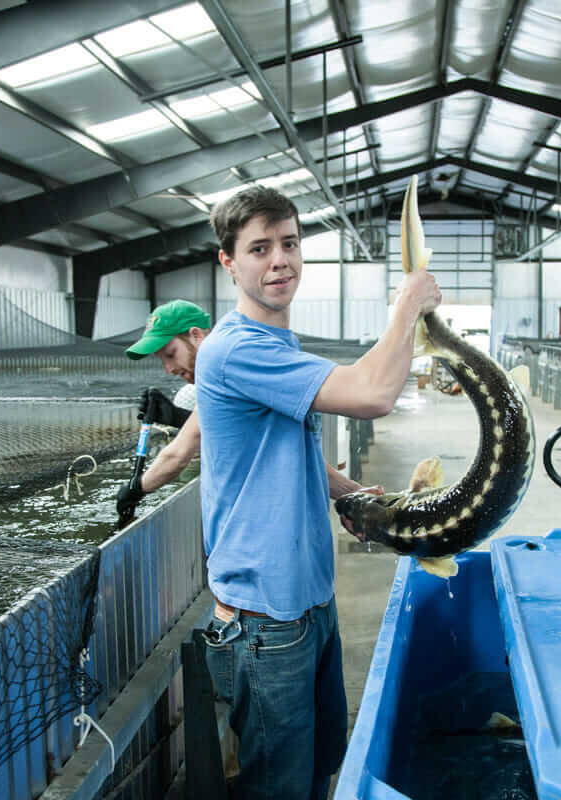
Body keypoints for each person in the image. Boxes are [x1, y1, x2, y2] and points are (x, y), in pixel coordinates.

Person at [197, 185, 441, 799]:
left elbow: (287, 450)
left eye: (289, 243)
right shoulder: (236, 349)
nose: (279, 260)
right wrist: (407, 307)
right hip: (265, 617)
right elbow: (374, 395)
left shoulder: (279, 344)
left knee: (320, 765)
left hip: (310, 599)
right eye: (259, 248)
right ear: (229, 262)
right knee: (278, 785)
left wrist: (347, 491)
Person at [116, 300, 211, 519]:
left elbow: (178, 455)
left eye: (170, 354)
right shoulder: (217, 372)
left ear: (196, 336)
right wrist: (178, 418)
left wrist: (137, 488)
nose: (168, 369)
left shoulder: (222, 370)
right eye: (162, 360)